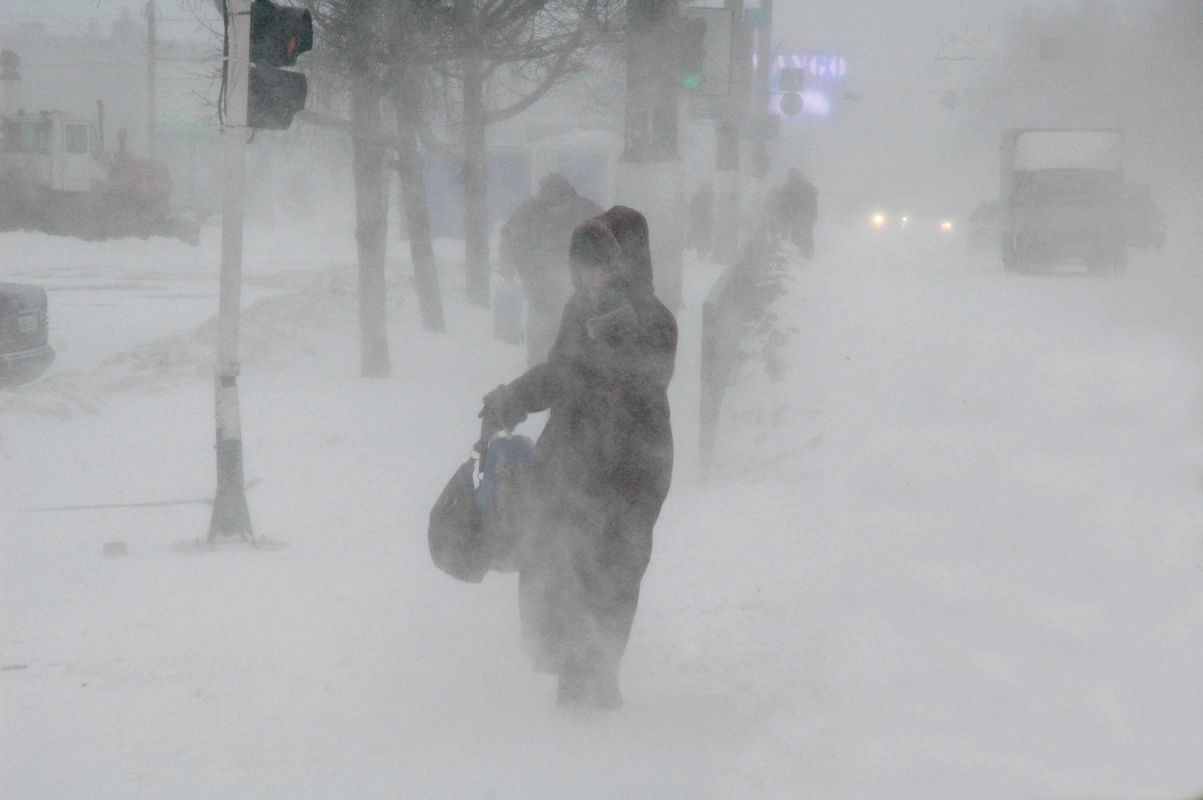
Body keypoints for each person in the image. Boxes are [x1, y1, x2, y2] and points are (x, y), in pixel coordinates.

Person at [479, 207, 677, 709]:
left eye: (601, 265)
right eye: (582, 267)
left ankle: (601, 675)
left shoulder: (655, 320)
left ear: (626, 263)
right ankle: (574, 675)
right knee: (560, 565)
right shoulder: (578, 309)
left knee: (616, 572)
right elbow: (559, 373)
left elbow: (644, 384)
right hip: (572, 463)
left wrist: (613, 333)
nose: (589, 277)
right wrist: (510, 399)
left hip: (634, 471)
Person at [499, 174, 603, 365]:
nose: (554, 209)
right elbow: (508, 234)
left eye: (559, 204)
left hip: (577, 276)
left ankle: (572, 364)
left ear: (568, 197)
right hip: (535, 274)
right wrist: (506, 262)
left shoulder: (588, 211)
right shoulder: (529, 209)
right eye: (549, 205)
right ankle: (538, 364)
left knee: (575, 317)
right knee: (540, 318)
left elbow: (609, 239)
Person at [772, 168, 819, 257]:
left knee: (802, 233)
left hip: (803, 214)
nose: (790, 179)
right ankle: (805, 252)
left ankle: (805, 252)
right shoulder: (803, 186)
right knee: (803, 233)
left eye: (791, 177)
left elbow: (791, 200)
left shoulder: (799, 187)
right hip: (804, 214)